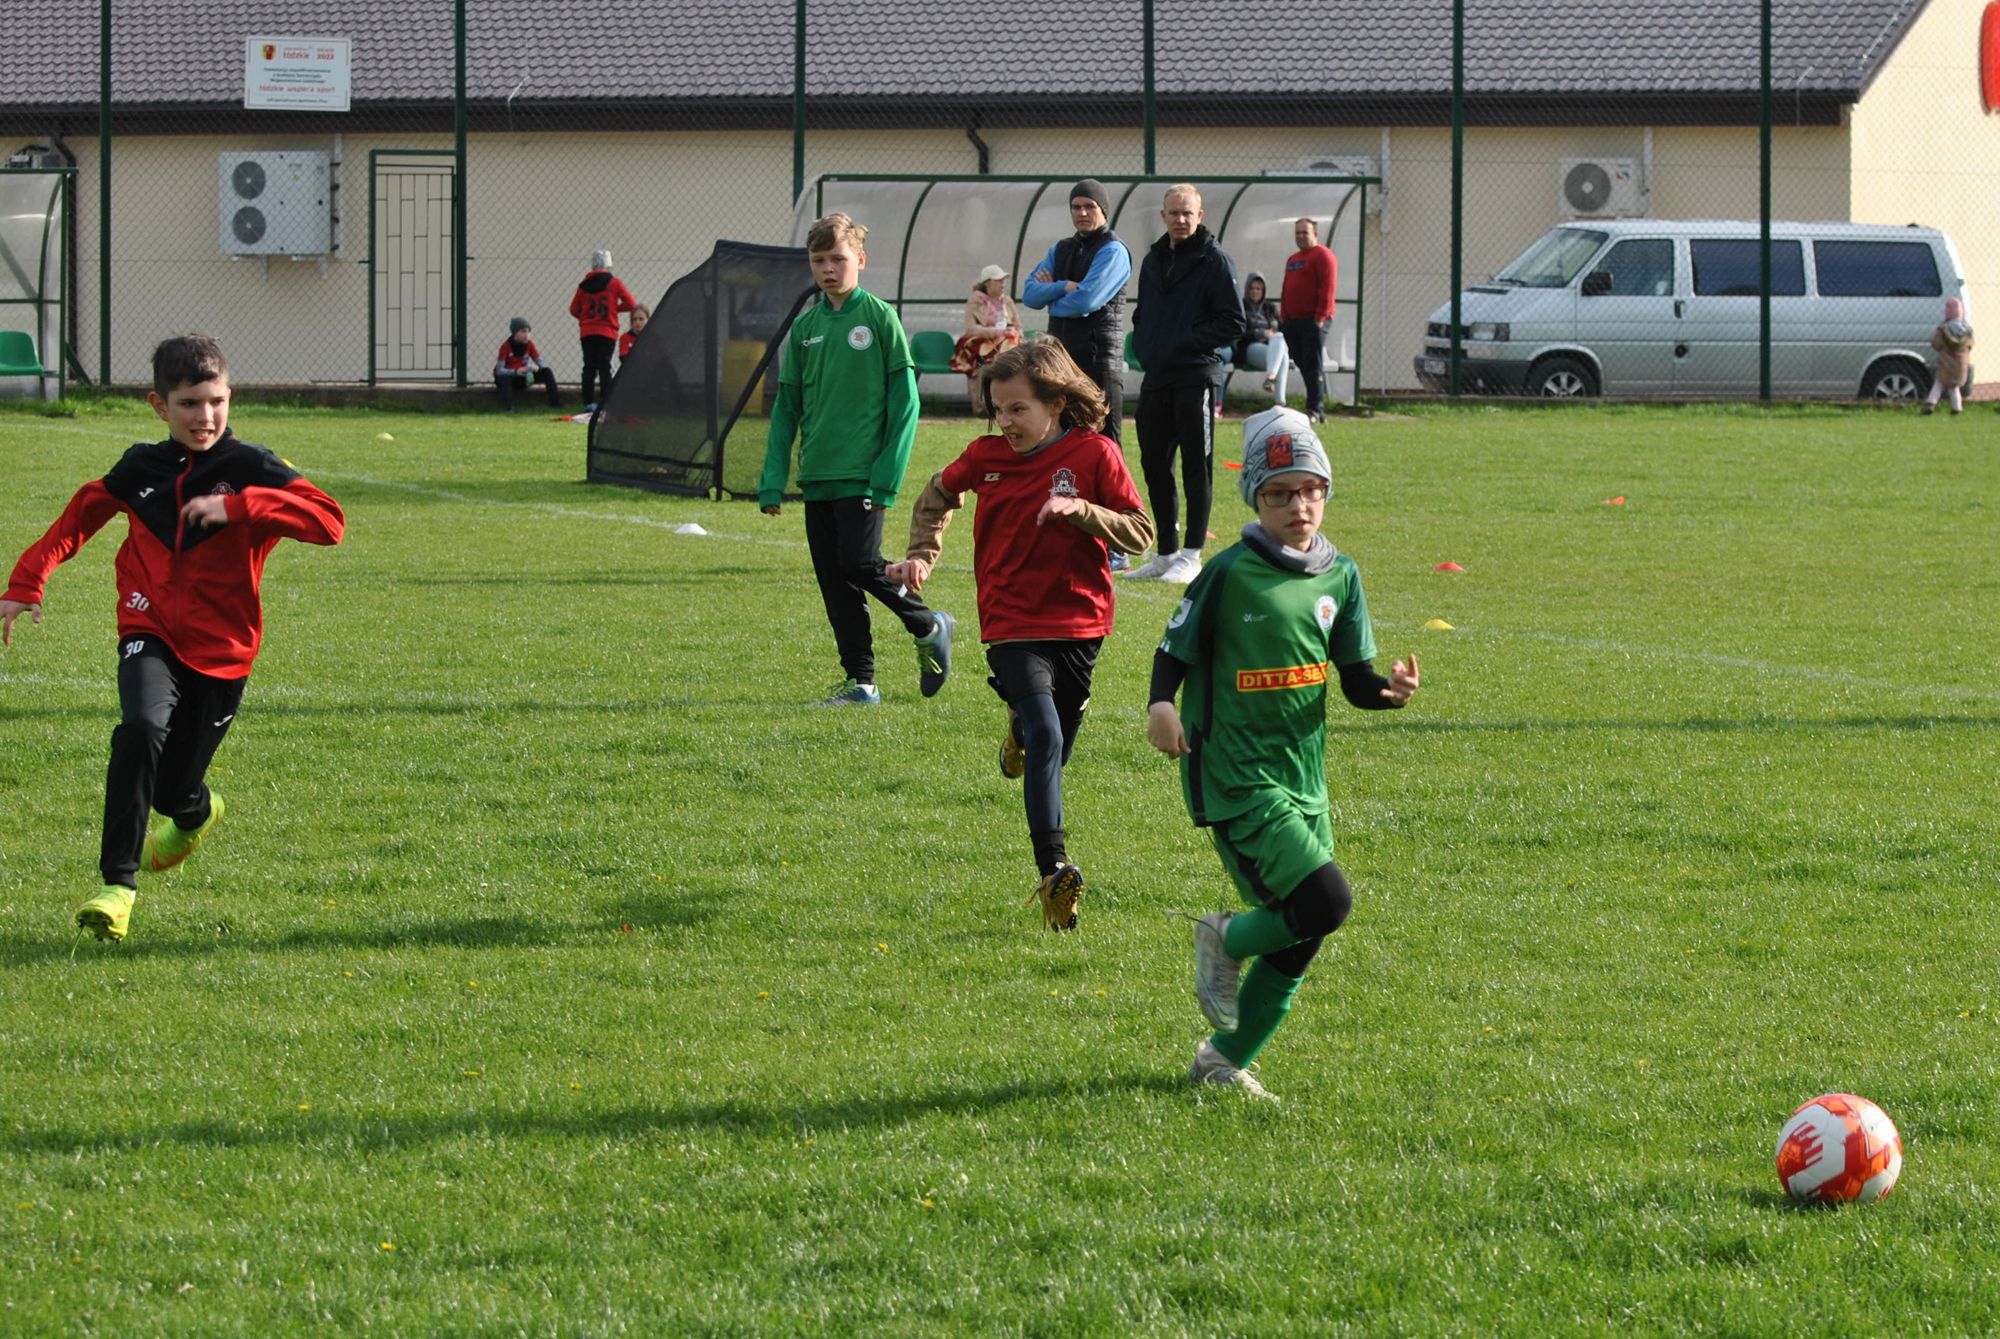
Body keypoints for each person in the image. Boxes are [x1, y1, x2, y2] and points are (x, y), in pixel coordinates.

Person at [0, 334, 345, 943]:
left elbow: (329, 522)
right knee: (139, 728)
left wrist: (240, 510)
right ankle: (117, 888)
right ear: (160, 406)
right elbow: (83, 511)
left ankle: (194, 811)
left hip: (223, 653)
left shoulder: (251, 468)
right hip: (148, 627)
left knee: (174, 791)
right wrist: (29, 578)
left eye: (215, 401)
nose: (204, 416)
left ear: (229, 397)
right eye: (189, 404)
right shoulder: (142, 468)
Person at [1146, 407, 1418, 1102]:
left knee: (1303, 931)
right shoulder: (1230, 573)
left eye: (1309, 490)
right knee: (1327, 899)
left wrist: (1389, 692)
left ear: (1325, 491)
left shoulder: (1341, 576)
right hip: (1236, 775)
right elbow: (1172, 649)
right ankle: (1227, 938)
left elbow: (1354, 680)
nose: (1298, 506)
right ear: (1256, 500)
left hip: (1305, 779)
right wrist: (1162, 705)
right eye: (1279, 494)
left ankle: (1223, 1060)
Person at [887, 341, 1153, 932]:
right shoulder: (984, 456)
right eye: (997, 410)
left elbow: (1140, 532)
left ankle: (1018, 737)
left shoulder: (1095, 454)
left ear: (1056, 403)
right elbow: (936, 496)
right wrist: (920, 557)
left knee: (1049, 752)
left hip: (1081, 621)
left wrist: (1082, 511)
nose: (1004, 423)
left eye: (1017, 410)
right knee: (1046, 733)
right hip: (1011, 622)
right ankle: (1054, 871)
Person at [758, 213, 955, 707]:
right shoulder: (805, 328)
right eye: (818, 260)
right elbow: (786, 408)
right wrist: (772, 479)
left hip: (862, 473)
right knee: (834, 580)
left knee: (858, 563)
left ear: (860, 261)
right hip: (817, 475)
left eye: (838, 259)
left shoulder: (879, 317)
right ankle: (862, 683)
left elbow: (905, 403)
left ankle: (928, 623)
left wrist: (886, 476)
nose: (828, 269)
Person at [1126, 184, 1245, 585]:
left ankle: (1192, 554)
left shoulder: (1215, 261)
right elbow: (1144, 314)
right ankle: (1165, 552)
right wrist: (1147, 346)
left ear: (1200, 215)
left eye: (1186, 213)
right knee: (1154, 465)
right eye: (1173, 213)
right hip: (1157, 378)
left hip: (1196, 377)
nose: (1180, 220)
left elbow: (1233, 321)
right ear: (1163, 215)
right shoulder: (1153, 259)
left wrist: (1183, 342)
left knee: (1198, 467)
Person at [1022, 179, 1134, 444]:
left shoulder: (1113, 250)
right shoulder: (1060, 249)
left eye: (1089, 206)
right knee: (1063, 443)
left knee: (1103, 445)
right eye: (1076, 207)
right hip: (1061, 362)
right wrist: (1064, 286)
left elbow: (1086, 301)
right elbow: (1029, 294)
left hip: (1097, 363)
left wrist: (1051, 297)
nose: (1082, 213)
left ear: (1103, 210)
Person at [1278, 218, 1338, 423]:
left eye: (1305, 232)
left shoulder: (1323, 256)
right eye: (1298, 233)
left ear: (1315, 234)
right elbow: (1286, 288)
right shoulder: (1293, 260)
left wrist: (1320, 317)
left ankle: (1316, 409)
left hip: (1314, 320)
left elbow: (1327, 288)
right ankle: (1313, 402)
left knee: (1313, 363)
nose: (1301, 236)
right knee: (1301, 361)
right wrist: (1284, 316)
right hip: (1293, 321)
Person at [949, 265, 1023, 413]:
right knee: (1005, 348)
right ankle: (984, 405)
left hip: (1004, 343)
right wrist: (997, 332)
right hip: (978, 343)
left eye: (1004, 280)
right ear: (988, 284)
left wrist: (1012, 332)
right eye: (999, 281)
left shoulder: (1007, 301)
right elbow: (971, 329)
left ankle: (1008, 400)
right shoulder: (975, 301)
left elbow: (1018, 327)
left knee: (1013, 343)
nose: (1003, 284)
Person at [570, 248, 637, 409]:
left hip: (587, 332)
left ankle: (588, 403)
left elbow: (573, 309)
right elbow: (631, 303)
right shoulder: (614, 283)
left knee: (589, 367)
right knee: (604, 366)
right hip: (607, 332)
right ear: (608, 265)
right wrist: (614, 310)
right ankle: (606, 403)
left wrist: (587, 318)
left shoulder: (583, 285)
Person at [1234, 272, 1288, 404]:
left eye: (1258, 289)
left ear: (1263, 291)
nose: (1254, 291)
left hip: (1272, 348)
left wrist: (1272, 335)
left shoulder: (1270, 308)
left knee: (1280, 341)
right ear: (1247, 289)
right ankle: (1280, 403)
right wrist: (1260, 333)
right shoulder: (1240, 308)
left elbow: (1283, 329)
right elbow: (1238, 334)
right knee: (1282, 357)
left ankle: (1272, 378)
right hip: (1250, 349)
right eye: (1252, 288)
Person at [494, 316, 562, 412]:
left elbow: (540, 363)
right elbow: (499, 371)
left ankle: (556, 404)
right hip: (509, 379)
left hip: (523, 377)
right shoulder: (506, 347)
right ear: (514, 333)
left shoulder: (529, 344)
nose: (527, 335)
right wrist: (515, 371)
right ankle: (509, 408)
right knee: (505, 378)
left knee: (547, 371)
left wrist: (535, 368)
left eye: (528, 331)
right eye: (523, 331)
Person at [1924, 298, 1973, 416]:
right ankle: (1957, 407)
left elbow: (1936, 344)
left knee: (1939, 383)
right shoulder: (1967, 330)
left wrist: (1932, 340)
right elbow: (1971, 345)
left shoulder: (1943, 329)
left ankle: (1931, 403)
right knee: (1954, 386)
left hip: (1946, 363)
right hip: (1960, 364)